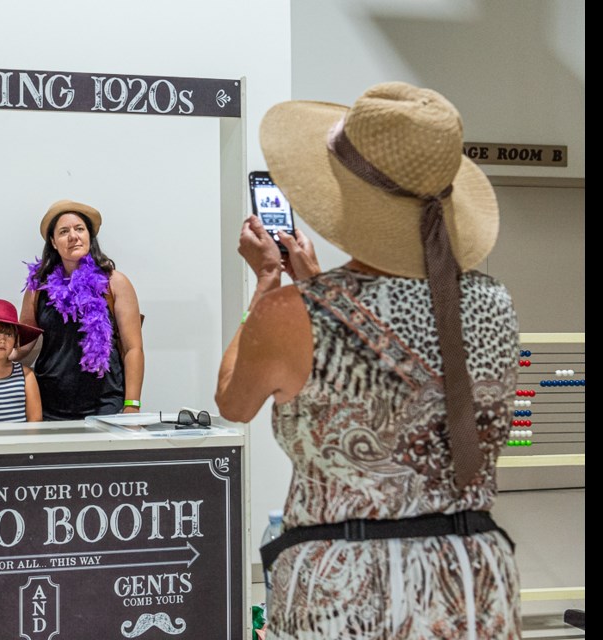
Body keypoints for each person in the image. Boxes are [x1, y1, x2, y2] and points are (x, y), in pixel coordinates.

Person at [216, 82, 521, 639]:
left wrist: (267, 281)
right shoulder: (493, 302)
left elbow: (233, 400)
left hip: (347, 590)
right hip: (472, 587)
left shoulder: (291, 311)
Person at [18, 199, 144, 420]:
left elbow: (133, 349)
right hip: (48, 405)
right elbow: (24, 344)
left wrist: (132, 405)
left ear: (89, 236)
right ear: (54, 242)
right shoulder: (38, 287)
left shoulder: (114, 283)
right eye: (64, 231)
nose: (73, 236)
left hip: (105, 404)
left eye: (79, 229)